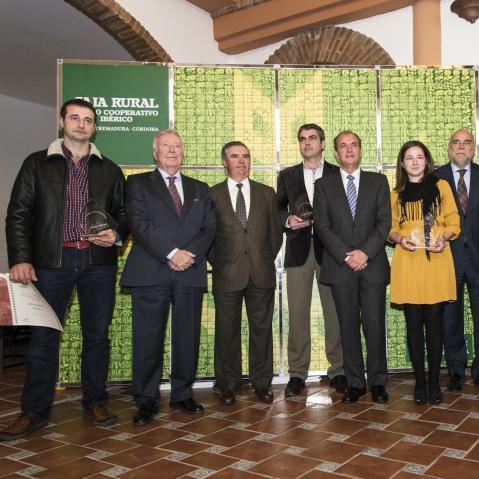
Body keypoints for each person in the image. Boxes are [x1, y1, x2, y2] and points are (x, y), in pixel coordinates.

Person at [1, 98, 127, 440]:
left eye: (88, 119)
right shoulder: (36, 164)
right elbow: (19, 215)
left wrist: (116, 234)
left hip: (97, 264)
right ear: (62, 121)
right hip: (50, 264)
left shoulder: (110, 170)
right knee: (44, 338)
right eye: (75, 117)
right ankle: (33, 412)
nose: (81, 124)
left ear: (94, 127)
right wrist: (20, 258)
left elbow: (125, 215)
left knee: (97, 337)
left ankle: (95, 402)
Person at [120, 129, 215, 426]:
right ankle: (146, 400)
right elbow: (139, 223)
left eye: (177, 146)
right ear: (155, 152)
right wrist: (172, 253)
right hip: (151, 271)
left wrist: (188, 255)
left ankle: (183, 394)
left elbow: (209, 229)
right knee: (148, 340)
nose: (172, 151)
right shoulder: (136, 183)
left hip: (190, 270)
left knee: (187, 337)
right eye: (166, 146)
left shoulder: (200, 188)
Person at [313, 131, 391, 404]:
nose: (348, 150)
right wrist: (347, 256)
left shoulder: (378, 181)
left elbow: (384, 224)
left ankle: (378, 381)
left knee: (374, 326)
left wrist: (365, 253)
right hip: (340, 267)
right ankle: (356, 383)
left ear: (360, 150)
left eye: (353, 145)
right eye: (342, 146)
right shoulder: (324, 185)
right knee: (347, 327)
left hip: (373, 266)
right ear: (335, 153)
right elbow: (322, 226)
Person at [209, 141, 282, 405]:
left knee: (261, 330)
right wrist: (222, 262)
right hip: (227, 273)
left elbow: (275, 236)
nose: (241, 161)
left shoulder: (267, 193)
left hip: (260, 272)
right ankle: (228, 384)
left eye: (246, 156)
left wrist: (262, 259)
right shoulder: (212, 194)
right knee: (226, 331)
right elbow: (208, 237)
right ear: (224, 161)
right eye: (235, 156)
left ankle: (261, 383)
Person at [388, 140, 460, 405]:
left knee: (435, 325)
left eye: (420, 157)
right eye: (409, 158)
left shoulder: (441, 187)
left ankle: (434, 382)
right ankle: (419, 382)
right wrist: (398, 239)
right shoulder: (396, 192)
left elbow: (454, 221)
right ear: (403, 163)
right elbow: (391, 226)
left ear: (427, 161)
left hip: (437, 260)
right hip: (408, 261)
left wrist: (445, 238)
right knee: (414, 326)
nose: (415, 162)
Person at [277, 124, 345, 397]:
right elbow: (278, 207)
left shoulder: (336, 173)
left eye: (312, 138)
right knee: (297, 314)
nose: (307, 143)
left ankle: (338, 370)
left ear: (323, 143)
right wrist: (287, 220)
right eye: (303, 139)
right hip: (298, 251)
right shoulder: (287, 175)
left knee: (335, 313)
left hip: (330, 252)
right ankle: (297, 373)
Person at [434, 129, 479, 393]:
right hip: (448, 256)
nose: (461, 147)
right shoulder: (435, 177)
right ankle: (456, 371)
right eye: (456, 143)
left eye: (467, 142)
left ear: (473, 148)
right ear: (449, 148)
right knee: (451, 318)